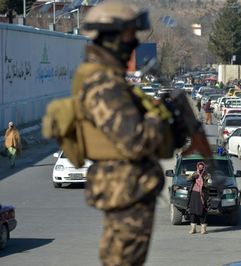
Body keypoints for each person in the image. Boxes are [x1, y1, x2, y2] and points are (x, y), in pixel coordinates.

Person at [76, 2, 211, 265]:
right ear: (110, 36)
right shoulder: (104, 84)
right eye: (128, 36)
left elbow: (152, 142)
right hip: (124, 193)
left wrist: (175, 124)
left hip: (132, 192)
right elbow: (134, 140)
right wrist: (165, 116)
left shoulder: (113, 81)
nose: (133, 43)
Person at [187, 162, 212, 234]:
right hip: (194, 194)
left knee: (202, 210)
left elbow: (210, 184)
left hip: (202, 194)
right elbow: (188, 179)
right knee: (192, 211)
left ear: (204, 167)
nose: (200, 168)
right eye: (199, 167)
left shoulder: (207, 175)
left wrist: (204, 183)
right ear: (197, 167)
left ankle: (203, 229)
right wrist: (193, 176)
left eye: (201, 167)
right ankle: (193, 228)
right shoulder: (195, 173)